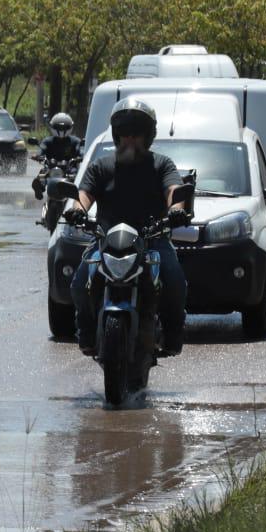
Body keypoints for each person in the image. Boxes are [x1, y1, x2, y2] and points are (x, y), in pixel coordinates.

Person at [65, 98, 190, 357]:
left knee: (175, 279)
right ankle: (86, 332)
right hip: (106, 240)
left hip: (151, 239)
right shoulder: (101, 166)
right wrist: (77, 210)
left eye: (137, 133)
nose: (130, 139)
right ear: (116, 135)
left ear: (148, 136)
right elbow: (84, 194)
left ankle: (173, 335)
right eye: (125, 133)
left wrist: (177, 210)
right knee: (79, 283)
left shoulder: (162, 165)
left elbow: (173, 190)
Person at [31, 112, 83, 199]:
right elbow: (42, 148)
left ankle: (78, 194)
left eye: (64, 127)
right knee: (43, 172)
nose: (61, 130)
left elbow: (80, 149)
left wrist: (82, 156)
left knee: (77, 175)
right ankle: (39, 187)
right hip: (51, 168)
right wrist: (37, 155)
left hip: (69, 169)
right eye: (59, 127)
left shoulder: (75, 141)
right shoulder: (48, 141)